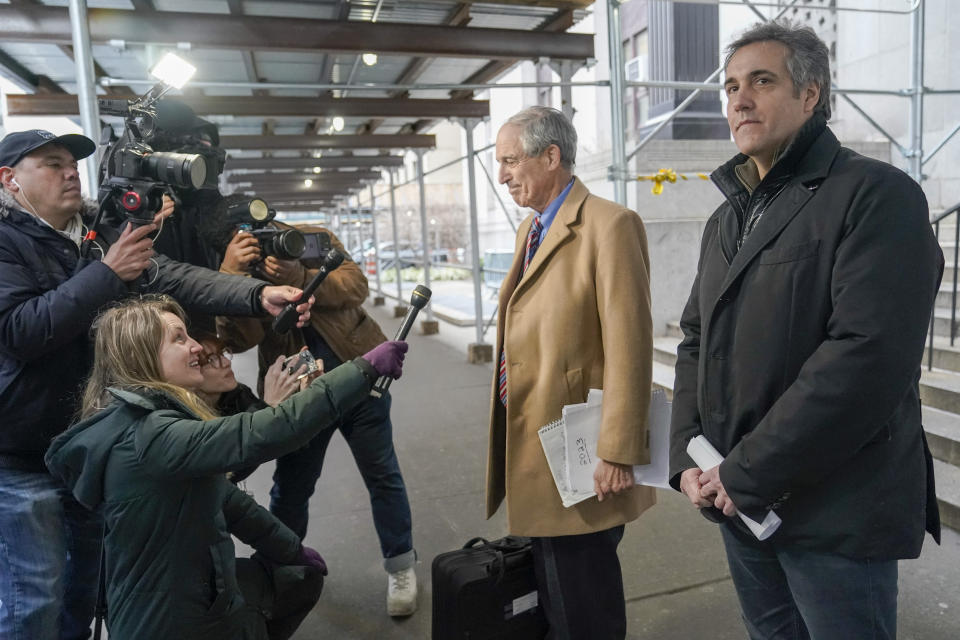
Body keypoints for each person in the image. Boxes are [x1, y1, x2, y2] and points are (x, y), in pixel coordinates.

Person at [668, 22, 943, 640]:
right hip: (739, 503)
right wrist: (689, 449)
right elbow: (695, 338)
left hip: (833, 511)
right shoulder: (726, 218)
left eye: (762, 81)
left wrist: (748, 472)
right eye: (732, 86)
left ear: (811, 94)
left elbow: (867, 358)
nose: (739, 99)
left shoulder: (875, 196)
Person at [0, 129, 313, 640]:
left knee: (84, 588)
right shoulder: (10, 242)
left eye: (73, 163)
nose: (69, 172)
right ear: (10, 179)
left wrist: (259, 295)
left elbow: (179, 277)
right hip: (20, 454)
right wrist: (105, 272)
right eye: (52, 163)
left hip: (88, 445)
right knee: (34, 597)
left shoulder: (95, 236)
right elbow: (18, 331)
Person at [43, 295, 408, 639]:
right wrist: (363, 369)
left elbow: (227, 499)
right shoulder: (153, 436)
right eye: (178, 339)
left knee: (297, 578)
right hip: (173, 623)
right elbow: (266, 431)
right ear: (143, 358)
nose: (197, 347)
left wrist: (290, 550)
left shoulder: (151, 423)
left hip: (192, 591)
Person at [488, 106, 654, 639]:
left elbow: (630, 344)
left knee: (583, 601)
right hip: (538, 441)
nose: (503, 174)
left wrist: (619, 449)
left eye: (511, 160)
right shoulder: (530, 229)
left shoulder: (610, 225)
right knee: (555, 592)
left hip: (581, 453)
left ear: (551, 156)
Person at [216, 224, 420, 616]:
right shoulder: (242, 260)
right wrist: (235, 276)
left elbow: (355, 285)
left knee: (382, 473)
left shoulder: (311, 238)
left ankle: (401, 566)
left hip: (361, 373)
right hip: (301, 393)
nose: (266, 236)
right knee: (292, 485)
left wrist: (302, 277)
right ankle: (282, 571)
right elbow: (239, 340)